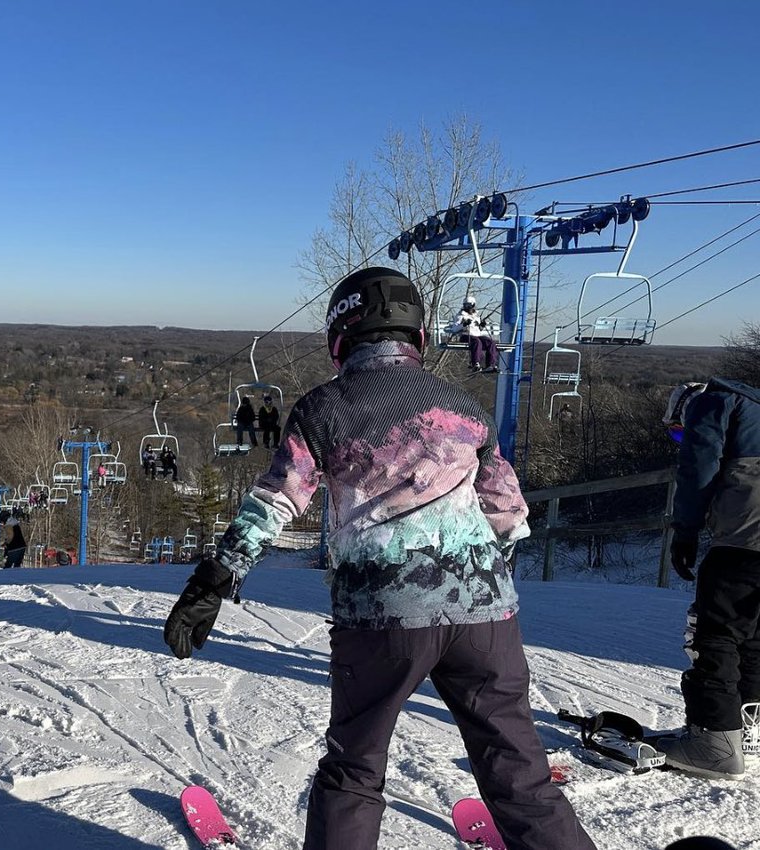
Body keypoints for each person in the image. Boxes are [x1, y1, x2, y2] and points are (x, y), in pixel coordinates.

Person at [164, 267, 595, 850]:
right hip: (485, 615)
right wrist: (482, 587)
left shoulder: (325, 408)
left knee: (356, 769)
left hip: (382, 614)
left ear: (342, 338)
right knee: (519, 774)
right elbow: (509, 513)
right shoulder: (464, 409)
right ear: (416, 335)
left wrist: (214, 579)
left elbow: (277, 501)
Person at [655, 379, 760, 780]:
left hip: (745, 539)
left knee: (715, 634)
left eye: (680, 430)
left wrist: (686, 530)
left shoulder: (714, 400)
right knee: (755, 634)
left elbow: (699, 465)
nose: (683, 438)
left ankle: (714, 740)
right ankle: (748, 729)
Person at [448, 295, 498, 373]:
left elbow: (478, 330)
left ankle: (491, 364)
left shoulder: (476, 316)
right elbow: (454, 329)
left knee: (490, 342)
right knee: (476, 341)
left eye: (469, 305)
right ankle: (475, 364)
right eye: (465, 305)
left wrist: (481, 326)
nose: (467, 307)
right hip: (465, 336)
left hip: (477, 336)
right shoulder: (460, 316)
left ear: (473, 305)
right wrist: (463, 325)